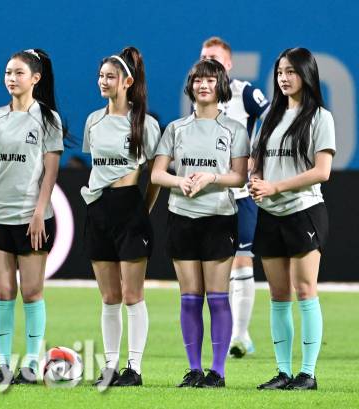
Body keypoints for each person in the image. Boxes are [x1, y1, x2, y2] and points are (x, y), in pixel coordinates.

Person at [151, 59, 248, 388]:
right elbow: (157, 174)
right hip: (182, 216)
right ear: (190, 86)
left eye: (210, 80)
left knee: (217, 296)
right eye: (197, 80)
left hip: (219, 218)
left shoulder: (234, 129)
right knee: (190, 296)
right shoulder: (175, 128)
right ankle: (194, 369)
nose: (203, 85)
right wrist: (180, 182)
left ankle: (217, 371)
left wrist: (211, 178)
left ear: (221, 86)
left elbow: (239, 176)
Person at [0, 48, 65, 385]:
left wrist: (39, 213)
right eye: (8, 73)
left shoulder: (48, 120)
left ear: (35, 78)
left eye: (18, 73)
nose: (11, 79)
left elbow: (50, 173)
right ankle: (3, 365)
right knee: (2, 293)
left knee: (31, 292)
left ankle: (29, 365)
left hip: (32, 220)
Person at [250, 47, 334, 391]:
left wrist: (275, 186)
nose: (284, 78)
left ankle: (307, 373)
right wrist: (255, 180)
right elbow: (257, 160)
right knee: (278, 295)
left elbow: (322, 171)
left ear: (306, 74)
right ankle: (283, 372)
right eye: (280, 72)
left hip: (304, 211)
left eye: (291, 72)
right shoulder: (270, 115)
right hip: (270, 214)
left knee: (305, 290)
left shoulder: (320, 117)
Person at [81, 47, 161, 388]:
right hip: (98, 208)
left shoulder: (145, 123)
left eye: (110, 77)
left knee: (132, 294)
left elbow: (156, 174)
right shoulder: (93, 121)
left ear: (127, 82)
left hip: (129, 207)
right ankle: (110, 365)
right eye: (101, 76)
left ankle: (134, 368)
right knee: (109, 296)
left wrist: (143, 208)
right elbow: (96, 165)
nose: (103, 81)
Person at [199, 36, 270, 358]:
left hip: (240, 193)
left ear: (228, 64)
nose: (208, 63)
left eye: (214, 58)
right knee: (217, 265)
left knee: (242, 259)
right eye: (204, 57)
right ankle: (225, 333)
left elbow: (274, 118)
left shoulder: (245, 92)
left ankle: (240, 336)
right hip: (210, 194)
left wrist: (258, 155)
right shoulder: (199, 97)